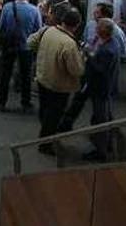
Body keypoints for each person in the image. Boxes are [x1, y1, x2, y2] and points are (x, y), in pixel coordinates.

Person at [61, 19, 119, 161]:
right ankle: (107, 142)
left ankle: (101, 151)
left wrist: (89, 55)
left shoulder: (107, 50)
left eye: (98, 27)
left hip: (100, 87)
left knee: (101, 119)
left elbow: (100, 69)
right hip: (99, 85)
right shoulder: (109, 42)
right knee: (104, 115)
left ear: (102, 31)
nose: (95, 28)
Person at [29, 10, 85, 154]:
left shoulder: (48, 30)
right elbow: (76, 70)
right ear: (77, 25)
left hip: (42, 77)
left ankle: (44, 135)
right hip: (58, 85)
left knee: (44, 108)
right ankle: (45, 144)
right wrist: (83, 59)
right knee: (54, 115)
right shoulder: (69, 44)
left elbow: (31, 42)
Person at [0, 0, 42, 112]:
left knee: (6, 73)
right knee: (26, 76)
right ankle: (25, 103)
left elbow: (1, 27)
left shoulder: (7, 7)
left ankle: (2, 101)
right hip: (26, 47)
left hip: (9, 45)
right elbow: (38, 30)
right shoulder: (34, 10)